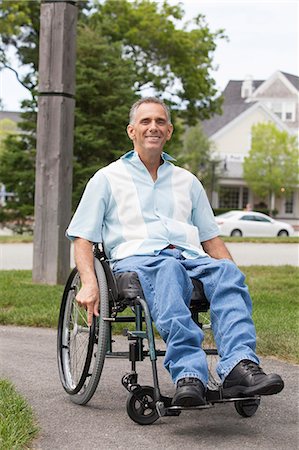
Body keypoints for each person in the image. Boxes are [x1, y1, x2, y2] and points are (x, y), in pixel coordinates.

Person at [66, 97, 284, 407]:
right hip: (139, 259)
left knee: (226, 273)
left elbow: (210, 240)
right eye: (145, 122)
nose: (152, 127)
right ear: (131, 131)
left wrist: (232, 275)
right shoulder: (107, 179)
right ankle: (188, 374)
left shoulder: (187, 181)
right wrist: (89, 282)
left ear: (169, 131)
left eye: (159, 122)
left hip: (189, 257)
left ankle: (238, 366)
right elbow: (83, 239)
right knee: (168, 270)